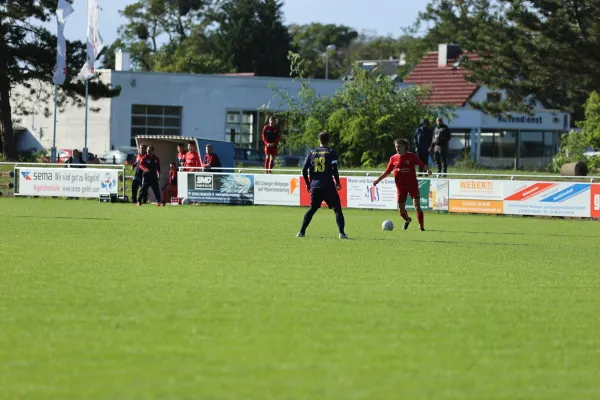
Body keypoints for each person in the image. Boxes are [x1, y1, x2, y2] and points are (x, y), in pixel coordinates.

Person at [297, 131, 348, 239]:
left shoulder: (312, 152)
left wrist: (307, 183)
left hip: (315, 186)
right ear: (328, 140)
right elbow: (334, 169)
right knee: (337, 209)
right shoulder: (331, 152)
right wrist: (338, 182)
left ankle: (301, 232)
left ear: (319, 140)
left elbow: (304, 170)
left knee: (312, 209)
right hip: (328, 186)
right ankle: (342, 233)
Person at [373, 138, 432, 231]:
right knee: (401, 211)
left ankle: (421, 227)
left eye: (399, 146)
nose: (397, 148)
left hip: (412, 186)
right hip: (401, 188)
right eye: (396, 147)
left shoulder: (412, 156)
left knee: (417, 206)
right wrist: (378, 180)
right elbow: (387, 172)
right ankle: (408, 220)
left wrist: (427, 170)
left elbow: (422, 164)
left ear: (404, 146)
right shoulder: (393, 158)